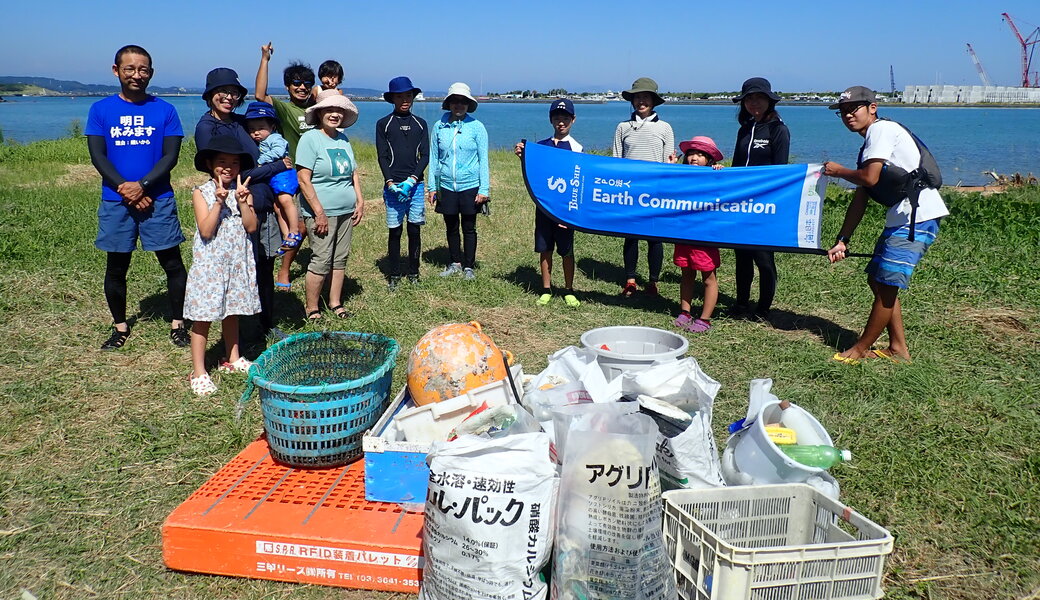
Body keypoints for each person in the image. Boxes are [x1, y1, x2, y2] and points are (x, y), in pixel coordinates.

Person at [823, 86, 948, 364]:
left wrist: (837, 171)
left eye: (853, 108)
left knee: (887, 283)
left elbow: (868, 178)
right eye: (842, 112)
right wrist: (843, 237)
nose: (847, 115)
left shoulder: (881, 131)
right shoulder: (869, 142)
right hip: (901, 216)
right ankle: (898, 348)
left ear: (872, 107)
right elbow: (861, 197)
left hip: (918, 216)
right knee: (876, 278)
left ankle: (859, 349)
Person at [86, 45, 188, 350]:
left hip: (158, 198)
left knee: (172, 262)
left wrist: (142, 185)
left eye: (143, 69)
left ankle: (179, 324)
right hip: (116, 200)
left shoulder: (165, 110)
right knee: (116, 266)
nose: (137, 75)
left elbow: (170, 155)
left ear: (151, 73)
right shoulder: (101, 110)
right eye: (129, 68)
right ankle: (120, 327)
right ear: (116, 71)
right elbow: (98, 156)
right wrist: (126, 189)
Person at [195, 67, 289, 337]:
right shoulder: (206, 128)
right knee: (235, 266)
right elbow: (232, 172)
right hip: (230, 207)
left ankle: (266, 322)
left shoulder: (238, 122)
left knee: (263, 265)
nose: (229, 97)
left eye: (234, 92)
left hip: (259, 204)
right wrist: (276, 168)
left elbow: (264, 123)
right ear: (210, 94)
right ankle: (233, 327)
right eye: (223, 91)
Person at [184, 136, 261, 396]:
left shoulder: (243, 192)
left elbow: (251, 227)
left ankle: (233, 357)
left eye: (234, 163)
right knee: (203, 317)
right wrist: (219, 202)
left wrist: (241, 201)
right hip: (210, 266)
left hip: (236, 262)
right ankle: (198, 371)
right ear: (210, 164)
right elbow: (206, 231)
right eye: (222, 162)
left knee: (232, 310)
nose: (228, 167)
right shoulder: (200, 192)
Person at [295, 90, 365, 320]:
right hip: (321, 210)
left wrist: (360, 199)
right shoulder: (310, 139)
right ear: (319, 113)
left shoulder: (343, 140)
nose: (335, 114)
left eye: (339, 111)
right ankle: (312, 308)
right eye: (330, 110)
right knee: (321, 258)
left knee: (340, 257)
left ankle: (335, 302)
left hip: (346, 210)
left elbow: (352, 172)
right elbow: (303, 179)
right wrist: (318, 212)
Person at [254, 42, 314, 289]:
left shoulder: (316, 107)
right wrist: (265, 59)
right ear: (288, 86)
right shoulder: (283, 107)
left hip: (315, 171)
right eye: (296, 83)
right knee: (298, 224)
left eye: (306, 84)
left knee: (311, 223)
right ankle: (284, 269)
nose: (302, 88)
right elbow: (259, 95)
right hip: (291, 171)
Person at [729, 77, 790, 321]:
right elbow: (735, 167)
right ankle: (741, 303)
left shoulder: (778, 129)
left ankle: (764, 308)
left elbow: (781, 172)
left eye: (759, 97)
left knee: (764, 259)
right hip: (739, 205)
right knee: (741, 256)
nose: (754, 103)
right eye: (749, 98)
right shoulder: (744, 129)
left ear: (769, 100)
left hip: (764, 207)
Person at [513, 98, 582, 307]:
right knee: (545, 248)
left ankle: (569, 289)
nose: (561, 122)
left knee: (567, 250)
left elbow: (579, 181)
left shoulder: (577, 148)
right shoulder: (541, 146)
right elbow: (533, 171)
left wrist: (570, 214)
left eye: (565, 118)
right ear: (551, 120)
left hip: (565, 209)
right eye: (557, 118)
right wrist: (521, 155)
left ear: (573, 120)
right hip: (543, 207)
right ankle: (546, 288)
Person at [612, 77, 674, 298]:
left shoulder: (665, 128)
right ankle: (630, 279)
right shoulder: (622, 127)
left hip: (656, 190)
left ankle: (653, 281)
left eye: (645, 97)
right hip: (631, 191)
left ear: (654, 101)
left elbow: (670, 163)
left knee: (655, 238)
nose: (641, 101)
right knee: (631, 236)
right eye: (637, 97)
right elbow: (616, 160)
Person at [427, 82, 489, 280]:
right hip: (446, 185)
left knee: (469, 227)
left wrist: (484, 189)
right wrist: (431, 187)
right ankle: (455, 262)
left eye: (463, 101)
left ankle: (469, 267)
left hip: (470, 186)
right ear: (449, 103)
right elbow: (434, 157)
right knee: (451, 226)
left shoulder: (477, 127)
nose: (459, 105)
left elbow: (483, 160)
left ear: (469, 104)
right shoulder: (439, 126)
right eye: (455, 101)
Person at [376, 76, 429, 289]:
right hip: (393, 187)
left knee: (414, 229)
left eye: (408, 95)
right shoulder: (384, 124)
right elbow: (382, 156)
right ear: (392, 99)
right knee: (395, 230)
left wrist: (413, 179)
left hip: (415, 187)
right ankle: (394, 274)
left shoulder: (420, 123)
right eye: (400, 96)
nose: (405, 100)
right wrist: (390, 182)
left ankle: (414, 272)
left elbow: (425, 155)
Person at [669, 136, 724, 333]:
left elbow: (727, 189)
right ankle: (685, 311)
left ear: (710, 160)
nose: (694, 158)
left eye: (701, 154)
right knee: (686, 273)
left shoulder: (715, 175)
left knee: (708, 276)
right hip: (684, 233)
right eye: (691, 153)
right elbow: (668, 189)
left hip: (706, 235)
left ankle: (705, 318)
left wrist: (720, 172)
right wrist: (672, 167)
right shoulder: (682, 175)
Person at [243, 101, 303, 255]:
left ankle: (295, 230)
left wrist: (261, 161)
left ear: (272, 127)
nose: (256, 133)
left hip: (283, 174)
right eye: (252, 130)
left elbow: (279, 151)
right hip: (274, 177)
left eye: (260, 128)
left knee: (285, 201)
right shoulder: (261, 141)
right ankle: (286, 236)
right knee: (277, 206)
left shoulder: (275, 138)